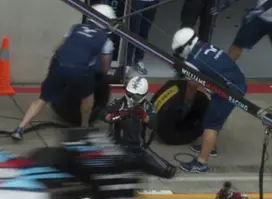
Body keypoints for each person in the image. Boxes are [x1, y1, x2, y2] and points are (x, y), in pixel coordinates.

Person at [11, 4, 116, 139]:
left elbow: (58, 48)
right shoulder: (106, 41)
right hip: (81, 71)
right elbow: (105, 69)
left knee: (42, 99)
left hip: (59, 66)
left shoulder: (75, 28)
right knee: (88, 98)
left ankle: (20, 128)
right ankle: (84, 127)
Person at [171, 28, 246, 173]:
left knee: (210, 124)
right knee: (212, 117)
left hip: (230, 91)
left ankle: (201, 163)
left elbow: (192, 86)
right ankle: (208, 146)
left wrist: (187, 104)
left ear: (185, 47)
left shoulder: (192, 62)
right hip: (236, 81)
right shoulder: (206, 46)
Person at [102, 76, 177, 179]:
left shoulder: (148, 107)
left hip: (140, 149)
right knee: (101, 171)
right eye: (129, 94)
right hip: (118, 148)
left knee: (169, 171)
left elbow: (154, 124)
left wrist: (144, 116)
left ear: (143, 95)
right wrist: (114, 116)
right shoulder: (119, 103)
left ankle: (135, 163)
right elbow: (102, 114)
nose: (131, 98)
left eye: (135, 96)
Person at [127, 0, 160, 75]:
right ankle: (127, 62)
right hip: (137, 1)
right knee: (133, 31)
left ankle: (138, 59)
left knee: (144, 32)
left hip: (152, 2)